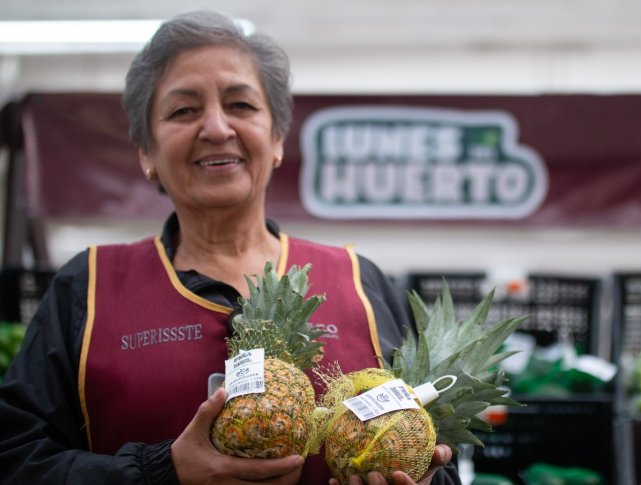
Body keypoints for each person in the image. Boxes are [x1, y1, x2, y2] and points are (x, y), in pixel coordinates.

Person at [0, 9, 460, 485]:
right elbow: (13, 458)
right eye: (183, 110)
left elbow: (440, 453)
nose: (217, 128)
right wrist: (162, 473)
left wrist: (423, 477)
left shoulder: (360, 282)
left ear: (277, 138)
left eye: (241, 105)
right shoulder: (87, 285)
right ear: (147, 154)